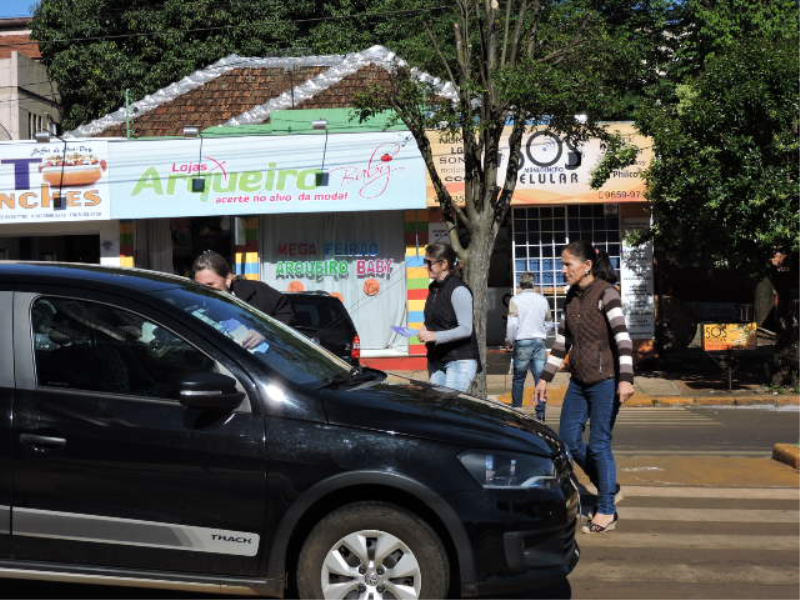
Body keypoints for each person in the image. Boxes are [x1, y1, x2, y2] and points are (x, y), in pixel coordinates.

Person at [534, 240, 635, 534]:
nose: (563, 270)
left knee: (600, 443)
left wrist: (626, 378)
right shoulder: (572, 296)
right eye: (562, 264)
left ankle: (607, 509)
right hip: (579, 380)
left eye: (568, 264)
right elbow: (562, 341)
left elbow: (623, 338)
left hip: (606, 381)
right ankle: (608, 486)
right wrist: (545, 377)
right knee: (568, 440)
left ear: (587, 265)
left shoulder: (607, 293)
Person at [419, 243, 480, 392]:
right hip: (437, 360)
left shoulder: (458, 289)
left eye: (430, 263)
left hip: (459, 360)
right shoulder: (434, 289)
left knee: (448, 404)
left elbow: (466, 329)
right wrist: (425, 328)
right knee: (437, 405)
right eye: (425, 262)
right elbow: (433, 319)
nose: (426, 266)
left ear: (444, 264)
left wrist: (435, 336)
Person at [192, 250, 294, 325]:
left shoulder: (257, 291)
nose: (204, 290)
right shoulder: (193, 305)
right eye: (200, 285)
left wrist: (265, 333)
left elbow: (285, 312)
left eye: (210, 284)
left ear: (228, 279)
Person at [505, 272, 550, 410]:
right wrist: (542, 332)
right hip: (539, 342)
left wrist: (509, 341)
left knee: (519, 379)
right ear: (533, 283)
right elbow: (549, 323)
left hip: (522, 341)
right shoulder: (543, 300)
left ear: (520, 284)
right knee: (540, 379)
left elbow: (512, 324)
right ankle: (540, 414)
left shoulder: (515, 300)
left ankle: (517, 410)